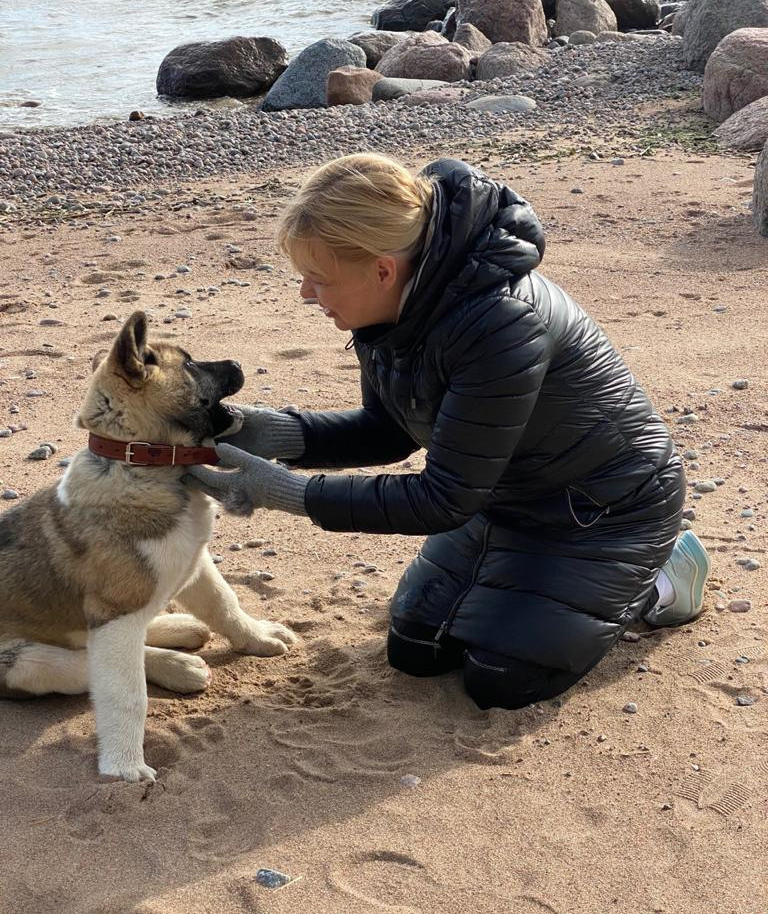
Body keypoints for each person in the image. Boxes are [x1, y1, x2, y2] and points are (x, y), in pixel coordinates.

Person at [186, 153, 710, 711]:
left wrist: (285, 493)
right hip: (500, 496)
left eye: (319, 279)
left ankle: (665, 571)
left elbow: (444, 498)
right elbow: (388, 431)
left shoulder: (501, 324)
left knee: (502, 679)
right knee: (416, 648)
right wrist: (263, 432)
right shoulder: (396, 304)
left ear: (382, 269)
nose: (307, 295)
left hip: (603, 511)